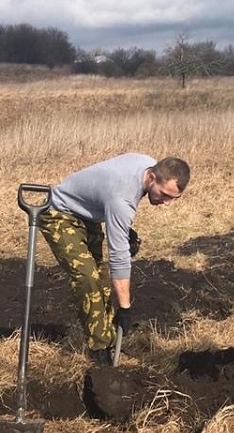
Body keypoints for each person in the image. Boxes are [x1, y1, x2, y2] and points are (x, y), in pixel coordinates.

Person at [39, 153, 189, 363]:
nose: (167, 203)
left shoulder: (147, 163)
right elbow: (119, 258)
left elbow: (108, 191)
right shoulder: (122, 199)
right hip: (59, 214)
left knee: (101, 279)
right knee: (87, 278)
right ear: (152, 178)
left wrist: (124, 230)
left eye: (173, 198)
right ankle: (99, 350)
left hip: (88, 213)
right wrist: (125, 308)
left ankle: (108, 342)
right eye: (165, 195)